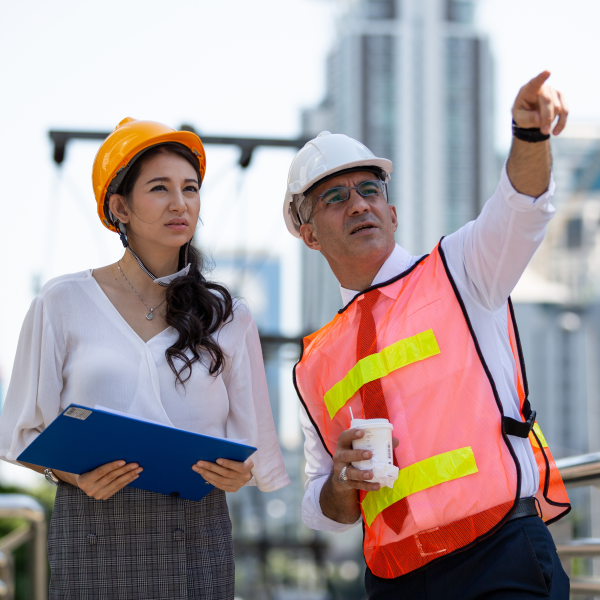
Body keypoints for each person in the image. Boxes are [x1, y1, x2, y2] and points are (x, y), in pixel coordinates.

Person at [284, 72, 571, 599]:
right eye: (335, 197)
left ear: (391, 213)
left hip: (498, 554)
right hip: (396, 581)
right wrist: (342, 485)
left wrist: (528, 135)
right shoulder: (313, 364)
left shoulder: (460, 272)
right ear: (308, 235)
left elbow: (522, 208)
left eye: (370, 190)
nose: (358, 204)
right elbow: (320, 510)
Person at [0, 118, 290, 599]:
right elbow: (19, 432)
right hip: (93, 532)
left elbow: (252, 447)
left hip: (196, 537)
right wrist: (72, 474)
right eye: (160, 188)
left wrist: (238, 472)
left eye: (191, 188)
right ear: (120, 208)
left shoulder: (229, 315)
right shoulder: (61, 301)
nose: (181, 203)